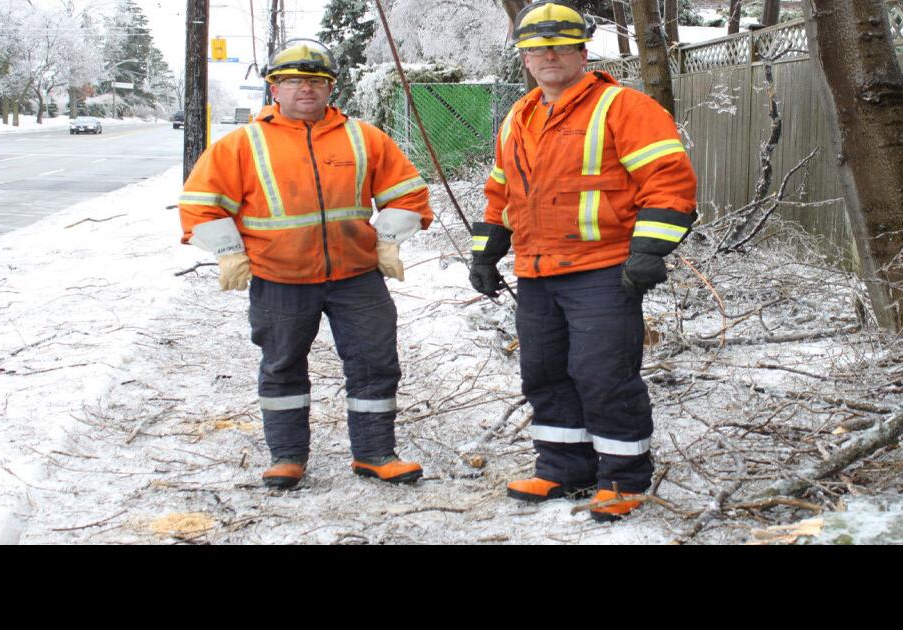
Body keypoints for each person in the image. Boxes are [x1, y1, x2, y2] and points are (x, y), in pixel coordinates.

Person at [470, 2, 697, 521]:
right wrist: (487, 252)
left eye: (559, 45)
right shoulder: (519, 116)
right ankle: (562, 468)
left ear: (580, 51)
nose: (547, 56)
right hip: (536, 269)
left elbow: (669, 181)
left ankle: (622, 479)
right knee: (545, 373)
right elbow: (501, 189)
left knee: (603, 375)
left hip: (603, 269)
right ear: (524, 57)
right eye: (536, 48)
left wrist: (649, 250)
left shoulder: (624, 107)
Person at [179, 39, 433, 490]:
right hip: (280, 278)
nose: (306, 89)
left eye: (316, 81)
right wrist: (228, 251)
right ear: (274, 88)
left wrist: (388, 240)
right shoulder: (242, 145)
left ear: (331, 87)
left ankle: (375, 454)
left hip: (356, 277)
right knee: (282, 365)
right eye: (294, 81)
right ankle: (287, 457)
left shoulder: (363, 137)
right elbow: (201, 203)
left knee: (375, 362)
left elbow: (407, 192)